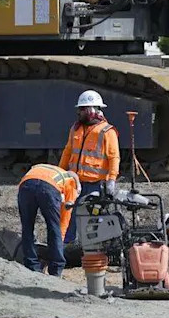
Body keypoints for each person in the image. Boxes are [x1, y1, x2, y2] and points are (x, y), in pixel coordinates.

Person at [59, 89, 120, 243]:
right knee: (68, 214)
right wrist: (60, 173)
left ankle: (98, 246)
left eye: (82, 109)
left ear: (91, 111)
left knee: (96, 217)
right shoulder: (75, 129)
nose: (78, 112)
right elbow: (67, 151)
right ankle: (66, 244)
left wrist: (112, 180)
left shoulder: (107, 131)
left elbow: (114, 157)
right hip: (75, 183)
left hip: (96, 185)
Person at [17, 164, 80, 277]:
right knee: (54, 228)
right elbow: (64, 219)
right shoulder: (71, 183)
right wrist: (60, 238)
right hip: (48, 188)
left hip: (25, 185)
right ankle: (56, 269)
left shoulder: (50, 169)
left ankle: (32, 265)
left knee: (27, 227)